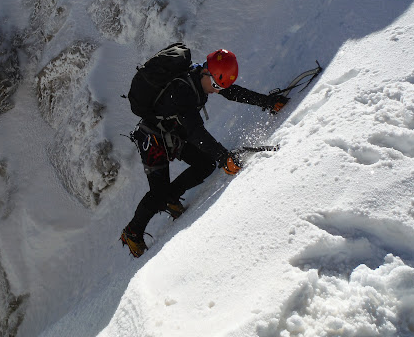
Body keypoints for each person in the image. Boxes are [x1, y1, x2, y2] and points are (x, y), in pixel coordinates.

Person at [120, 48, 289, 257]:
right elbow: (196, 132)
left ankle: (171, 197)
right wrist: (224, 157)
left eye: (220, 86)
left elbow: (232, 92)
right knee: (158, 193)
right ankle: (132, 232)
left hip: (173, 133)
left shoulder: (202, 74)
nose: (217, 91)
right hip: (153, 138)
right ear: (207, 72)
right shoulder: (183, 92)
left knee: (205, 164)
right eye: (216, 86)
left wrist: (267, 102)